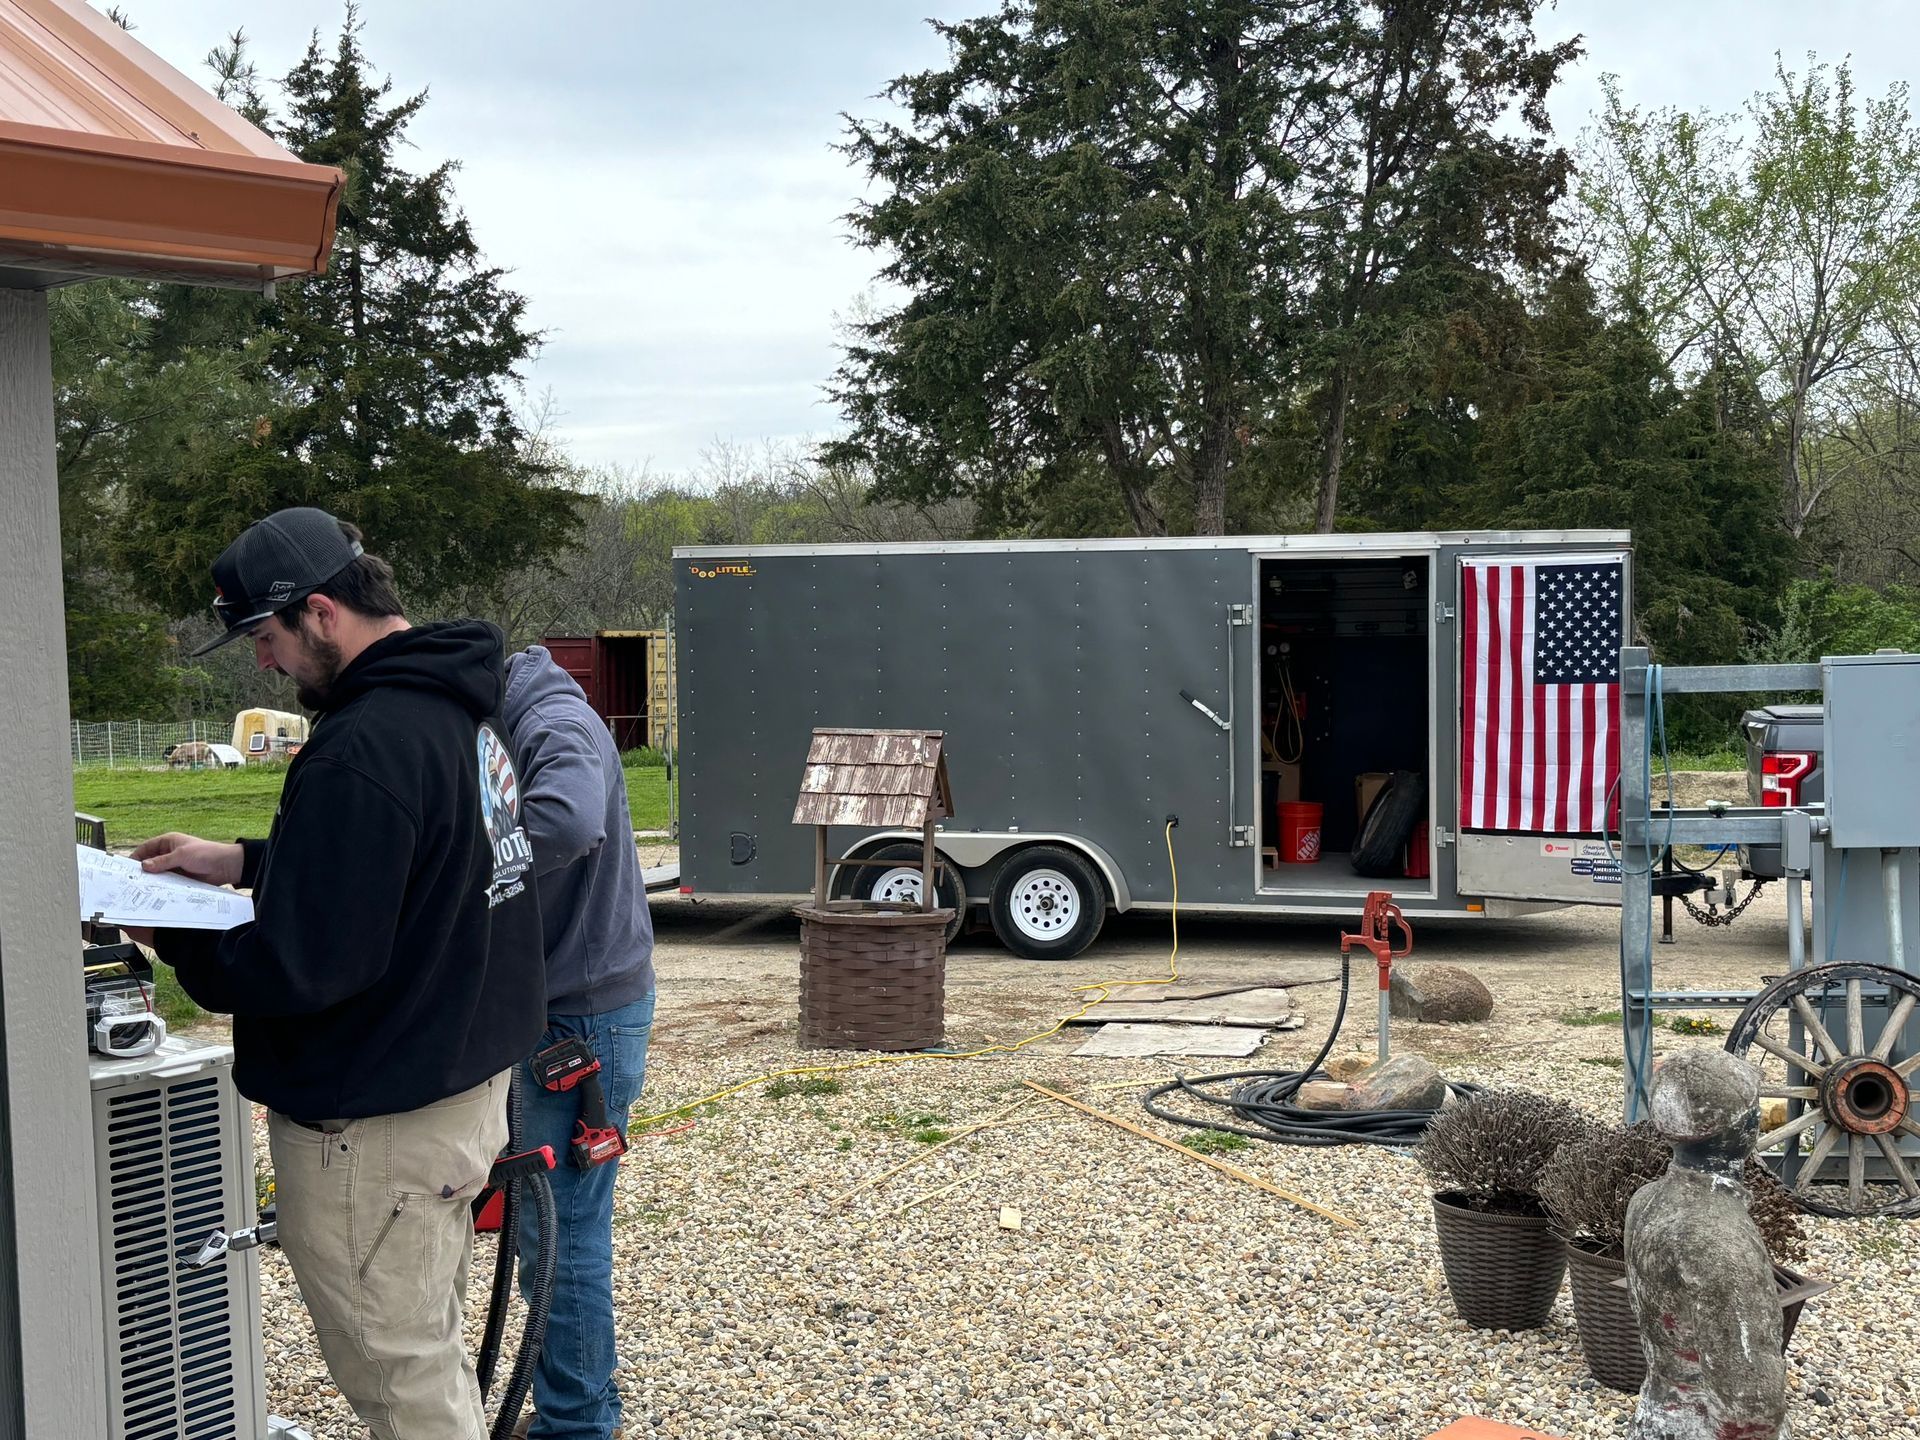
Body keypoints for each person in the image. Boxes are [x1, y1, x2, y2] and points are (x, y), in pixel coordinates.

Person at [130, 507, 546, 1440]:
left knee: (402, 1385)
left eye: (267, 638)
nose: (264, 665)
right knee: (426, 1352)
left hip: (376, 1125)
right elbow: (411, 868)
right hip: (456, 1090)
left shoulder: (363, 745)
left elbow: (304, 963)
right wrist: (240, 860)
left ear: (321, 612)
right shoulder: (462, 713)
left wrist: (170, 932)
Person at [500, 644, 658, 1440]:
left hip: (579, 1023)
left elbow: (565, 821)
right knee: (557, 1227)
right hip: (580, 1006)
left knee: (559, 1232)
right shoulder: (530, 713)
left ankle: (577, 1427)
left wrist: (447, 872)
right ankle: (584, 1410)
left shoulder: (548, 719)